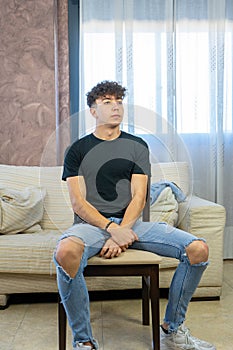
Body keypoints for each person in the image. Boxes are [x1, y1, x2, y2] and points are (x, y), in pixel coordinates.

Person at [54, 80, 215, 350]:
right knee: (65, 252)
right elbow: (78, 202)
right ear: (93, 111)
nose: (115, 106)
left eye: (119, 101)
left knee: (198, 249)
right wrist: (111, 229)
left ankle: (172, 329)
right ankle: (84, 342)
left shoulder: (137, 145)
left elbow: (140, 196)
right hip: (90, 225)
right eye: (107, 102)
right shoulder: (78, 150)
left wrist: (122, 232)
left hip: (134, 223)